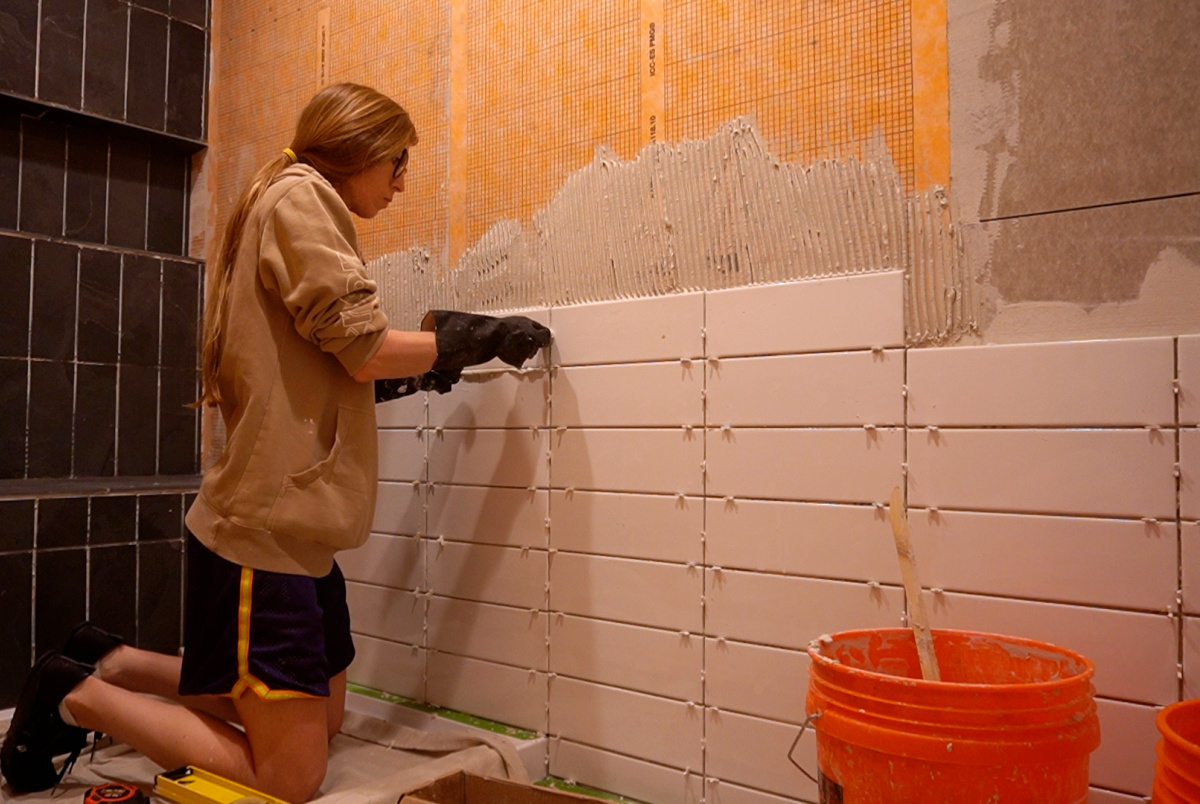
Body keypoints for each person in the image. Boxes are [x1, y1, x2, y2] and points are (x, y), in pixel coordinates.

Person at [0, 83, 549, 802]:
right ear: (357, 152)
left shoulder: (293, 203)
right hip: (266, 535)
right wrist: (457, 344)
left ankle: (114, 661)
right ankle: (78, 693)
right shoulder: (302, 200)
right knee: (293, 776)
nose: (402, 182)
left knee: (323, 722)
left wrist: (409, 373)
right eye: (398, 162)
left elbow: (320, 367)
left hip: (301, 532)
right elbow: (357, 346)